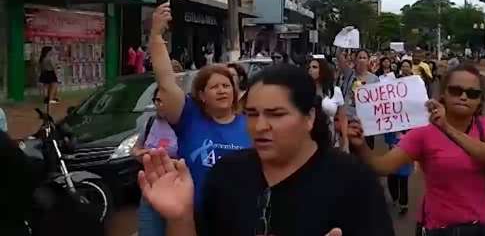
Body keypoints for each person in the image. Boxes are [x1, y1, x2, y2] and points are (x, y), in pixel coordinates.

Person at [137, 64, 395, 236]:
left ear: (309, 117)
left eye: (276, 114)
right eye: (251, 114)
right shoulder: (227, 174)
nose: (260, 126)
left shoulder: (354, 181)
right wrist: (180, 218)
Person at [348, 64, 485, 236]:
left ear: (480, 100)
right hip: (437, 229)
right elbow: (382, 166)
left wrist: (446, 128)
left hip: (478, 229)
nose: (463, 97)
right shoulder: (423, 133)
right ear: (443, 94)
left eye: (472, 93)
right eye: (455, 90)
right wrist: (360, 146)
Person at [147, 3, 251, 211]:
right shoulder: (190, 118)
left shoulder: (252, 125)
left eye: (226, 86)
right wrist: (156, 35)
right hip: (195, 216)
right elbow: (166, 82)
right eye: (214, 87)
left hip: (241, 215)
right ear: (202, 95)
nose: (222, 91)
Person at [133, 88, 178, 236]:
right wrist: (143, 154)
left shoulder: (185, 125)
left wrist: (165, 160)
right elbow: (135, 150)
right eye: (156, 100)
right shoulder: (151, 122)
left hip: (177, 193)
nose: (159, 104)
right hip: (150, 192)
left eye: (163, 100)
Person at [338, 48, 379, 150]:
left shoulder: (374, 79)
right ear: (355, 60)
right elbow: (339, 57)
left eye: (364, 58)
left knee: (366, 153)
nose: (361, 60)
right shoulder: (349, 74)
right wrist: (342, 44)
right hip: (348, 121)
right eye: (359, 57)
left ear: (368, 60)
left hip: (366, 123)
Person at [308, 58, 349, 151]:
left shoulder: (335, 91)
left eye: (314, 67)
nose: (310, 69)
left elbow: (343, 117)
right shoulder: (304, 90)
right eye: (309, 67)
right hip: (308, 138)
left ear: (322, 70)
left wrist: (346, 141)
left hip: (330, 138)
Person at [383, 131, 411, 216]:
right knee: (392, 178)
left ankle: (403, 205)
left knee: (403, 182)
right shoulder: (390, 130)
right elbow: (386, 136)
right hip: (392, 156)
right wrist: (392, 143)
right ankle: (395, 197)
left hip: (405, 157)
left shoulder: (409, 129)